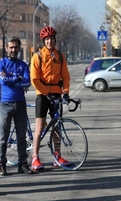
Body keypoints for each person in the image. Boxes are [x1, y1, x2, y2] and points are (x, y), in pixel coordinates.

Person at [30, 26, 71, 170]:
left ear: (55, 40)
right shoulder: (38, 56)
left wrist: (65, 92)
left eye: (52, 39)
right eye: (47, 39)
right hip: (43, 95)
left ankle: (57, 157)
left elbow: (65, 76)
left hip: (56, 94)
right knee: (40, 127)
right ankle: (35, 158)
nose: (49, 41)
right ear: (44, 41)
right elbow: (34, 79)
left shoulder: (60, 56)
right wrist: (46, 93)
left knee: (57, 126)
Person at [0, 37, 33, 175]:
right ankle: (2, 164)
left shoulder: (23, 65)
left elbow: (27, 82)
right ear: (7, 48)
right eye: (11, 47)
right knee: (2, 137)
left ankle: (23, 164)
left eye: (16, 47)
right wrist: (17, 79)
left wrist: (13, 80)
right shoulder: (2, 63)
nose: (13, 50)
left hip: (20, 104)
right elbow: (3, 80)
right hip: (4, 104)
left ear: (19, 48)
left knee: (21, 137)